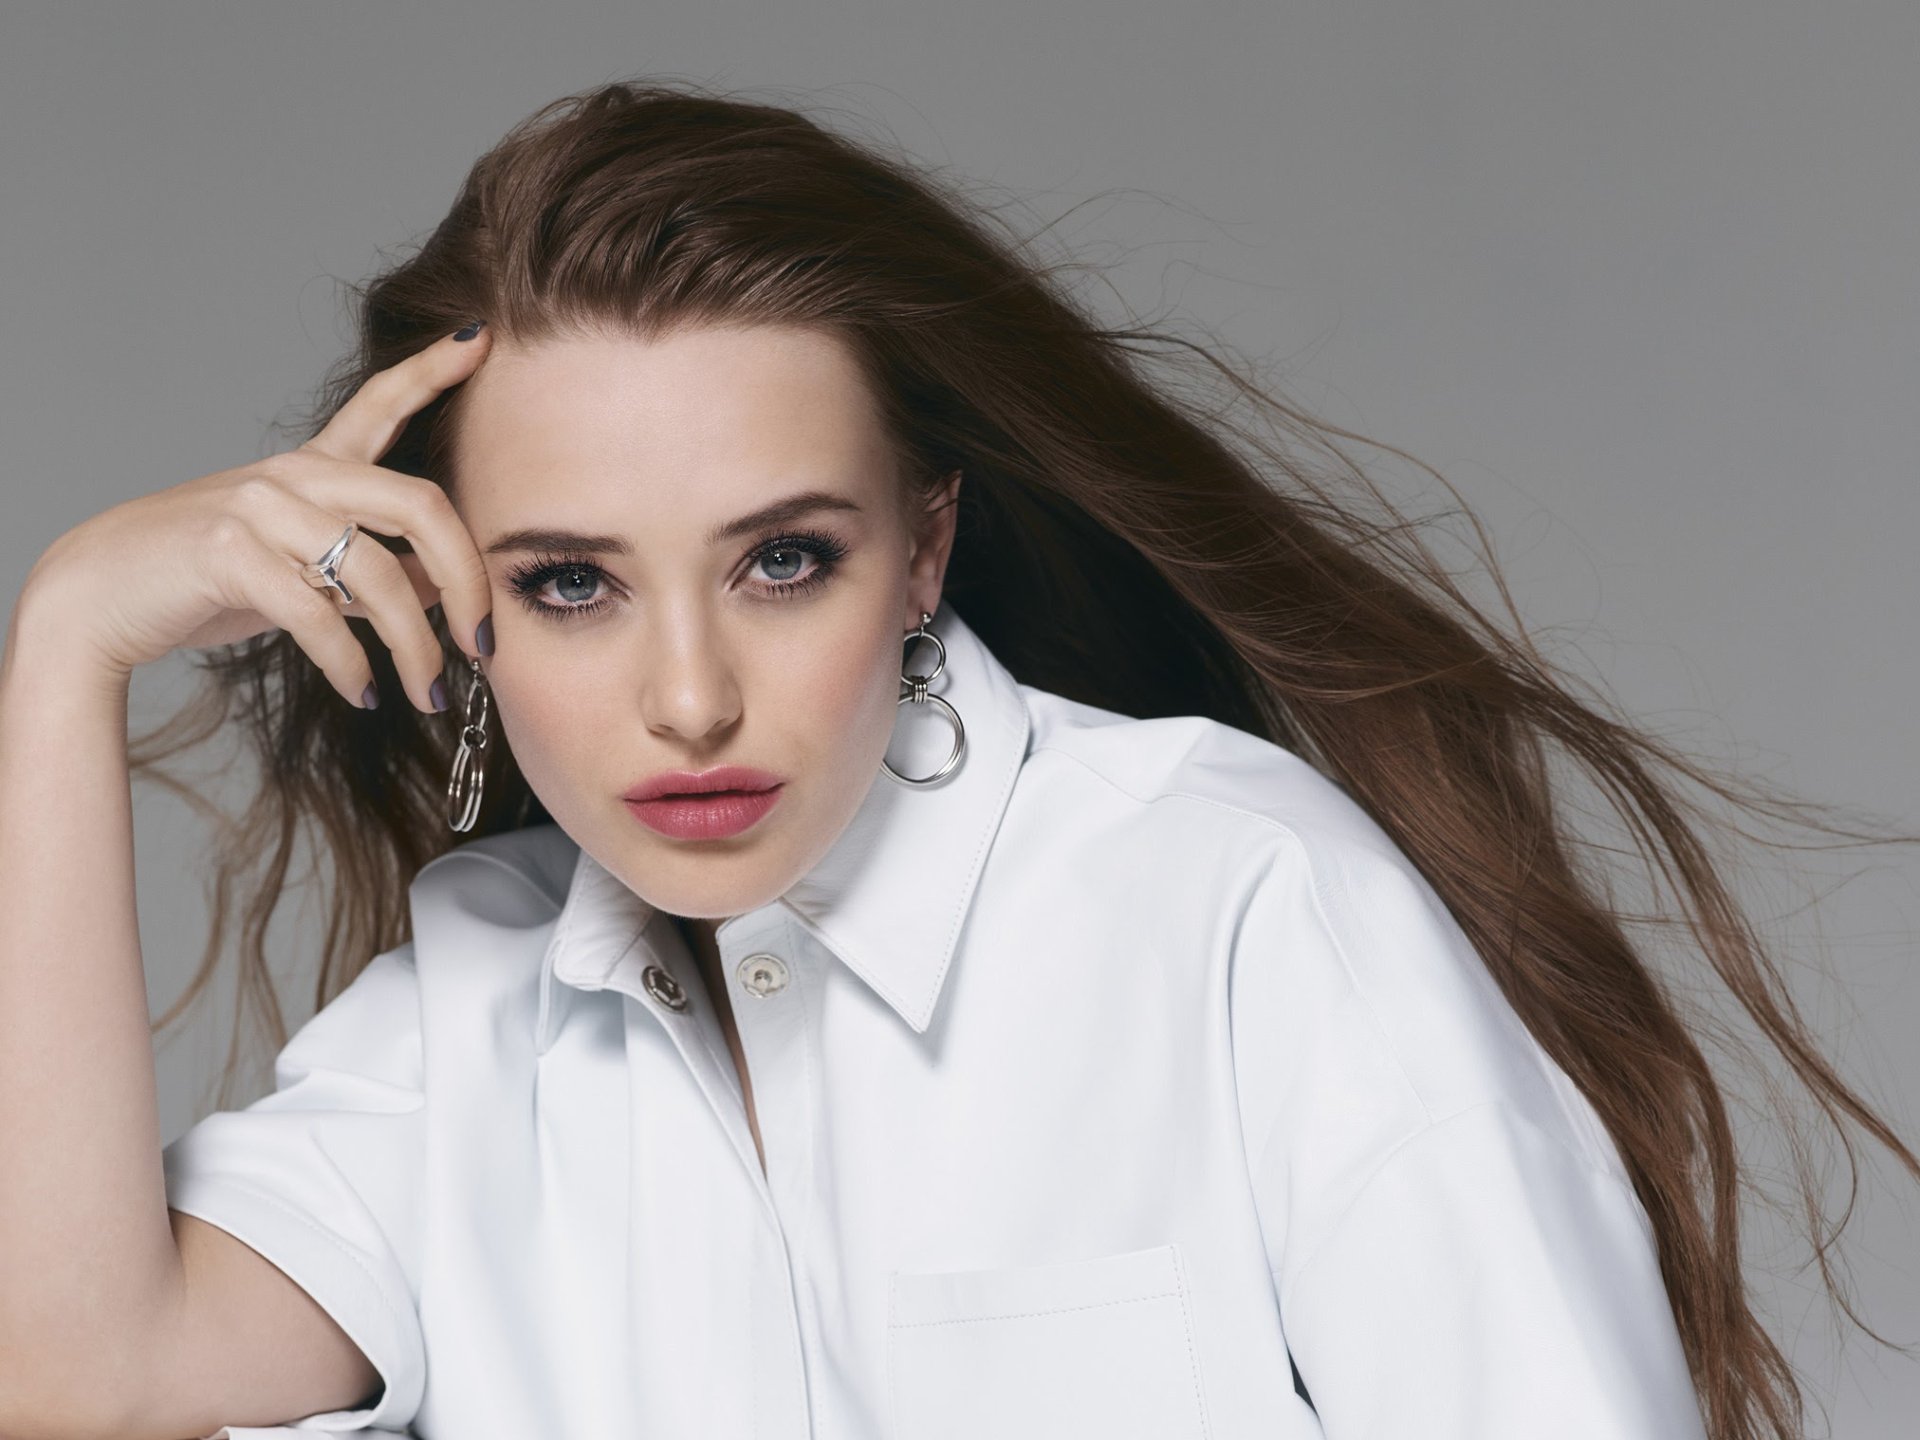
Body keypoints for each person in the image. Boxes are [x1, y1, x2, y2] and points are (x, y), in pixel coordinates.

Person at [0, 77, 1912, 1440]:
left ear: (922, 550)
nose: (690, 698)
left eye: (783, 561)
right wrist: (71, 637)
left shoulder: (1233, 900)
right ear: (456, 599)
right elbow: (77, 1375)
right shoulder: (471, 1023)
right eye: (573, 583)